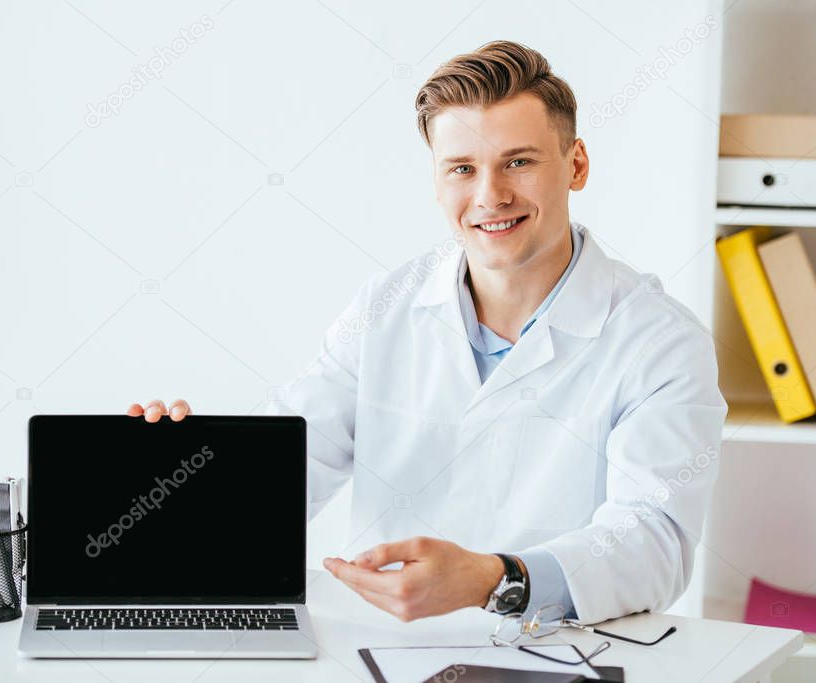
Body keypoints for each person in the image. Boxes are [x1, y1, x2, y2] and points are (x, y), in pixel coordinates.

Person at [129, 40, 726, 626]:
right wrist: (180, 478)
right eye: (462, 169)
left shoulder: (660, 341)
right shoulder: (385, 309)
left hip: (557, 650)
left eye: (518, 161)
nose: (490, 196)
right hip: (381, 647)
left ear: (576, 165)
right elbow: (286, 471)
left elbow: (655, 542)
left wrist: (496, 579)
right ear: (438, 182)